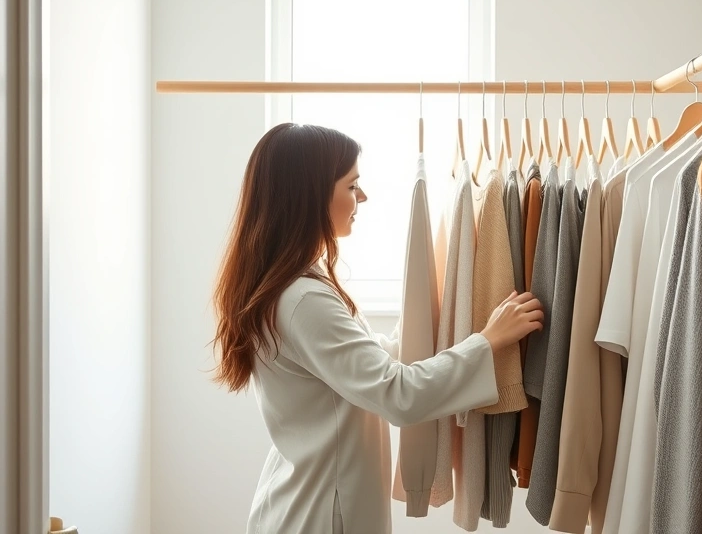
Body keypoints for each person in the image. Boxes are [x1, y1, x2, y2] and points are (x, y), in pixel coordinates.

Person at [212, 123, 544, 533]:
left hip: (306, 499)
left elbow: (369, 357)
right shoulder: (304, 301)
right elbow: (396, 393)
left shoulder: (299, 284)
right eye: (352, 185)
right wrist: (487, 341)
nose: (362, 197)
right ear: (311, 195)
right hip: (318, 515)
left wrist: (436, 310)